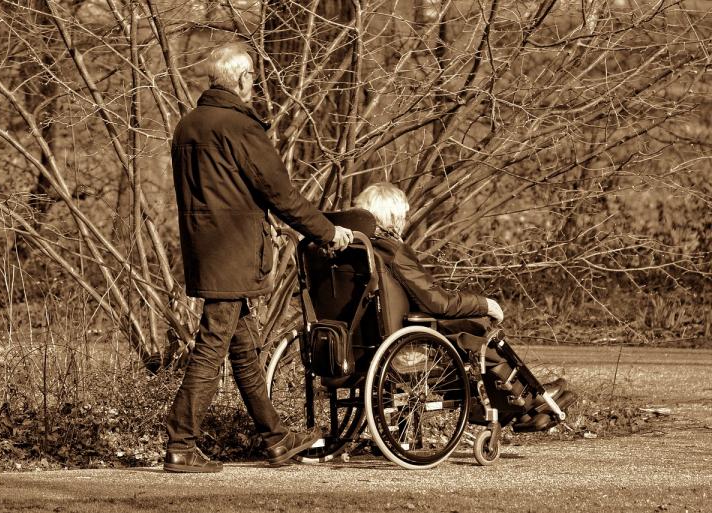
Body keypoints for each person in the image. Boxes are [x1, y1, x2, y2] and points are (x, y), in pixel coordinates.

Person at [166, 42, 354, 473]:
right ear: (242, 78)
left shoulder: (188, 125)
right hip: (233, 254)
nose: (255, 83)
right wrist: (327, 231)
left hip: (204, 250)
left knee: (244, 348)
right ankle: (180, 441)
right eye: (252, 76)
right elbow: (280, 193)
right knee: (213, 346)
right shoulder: (239, 128)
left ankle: (275, 439)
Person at [353, 182, 575, 431]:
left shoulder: (352, 252)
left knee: (466, 331)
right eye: (402, 216)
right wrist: (484, 304)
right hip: (401, 345)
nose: (404, 222)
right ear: (392, 218)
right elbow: (438, 302)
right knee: (479, 328)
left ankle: (516, 404)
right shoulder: (392, 251)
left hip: (358, 350)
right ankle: (525, 401)